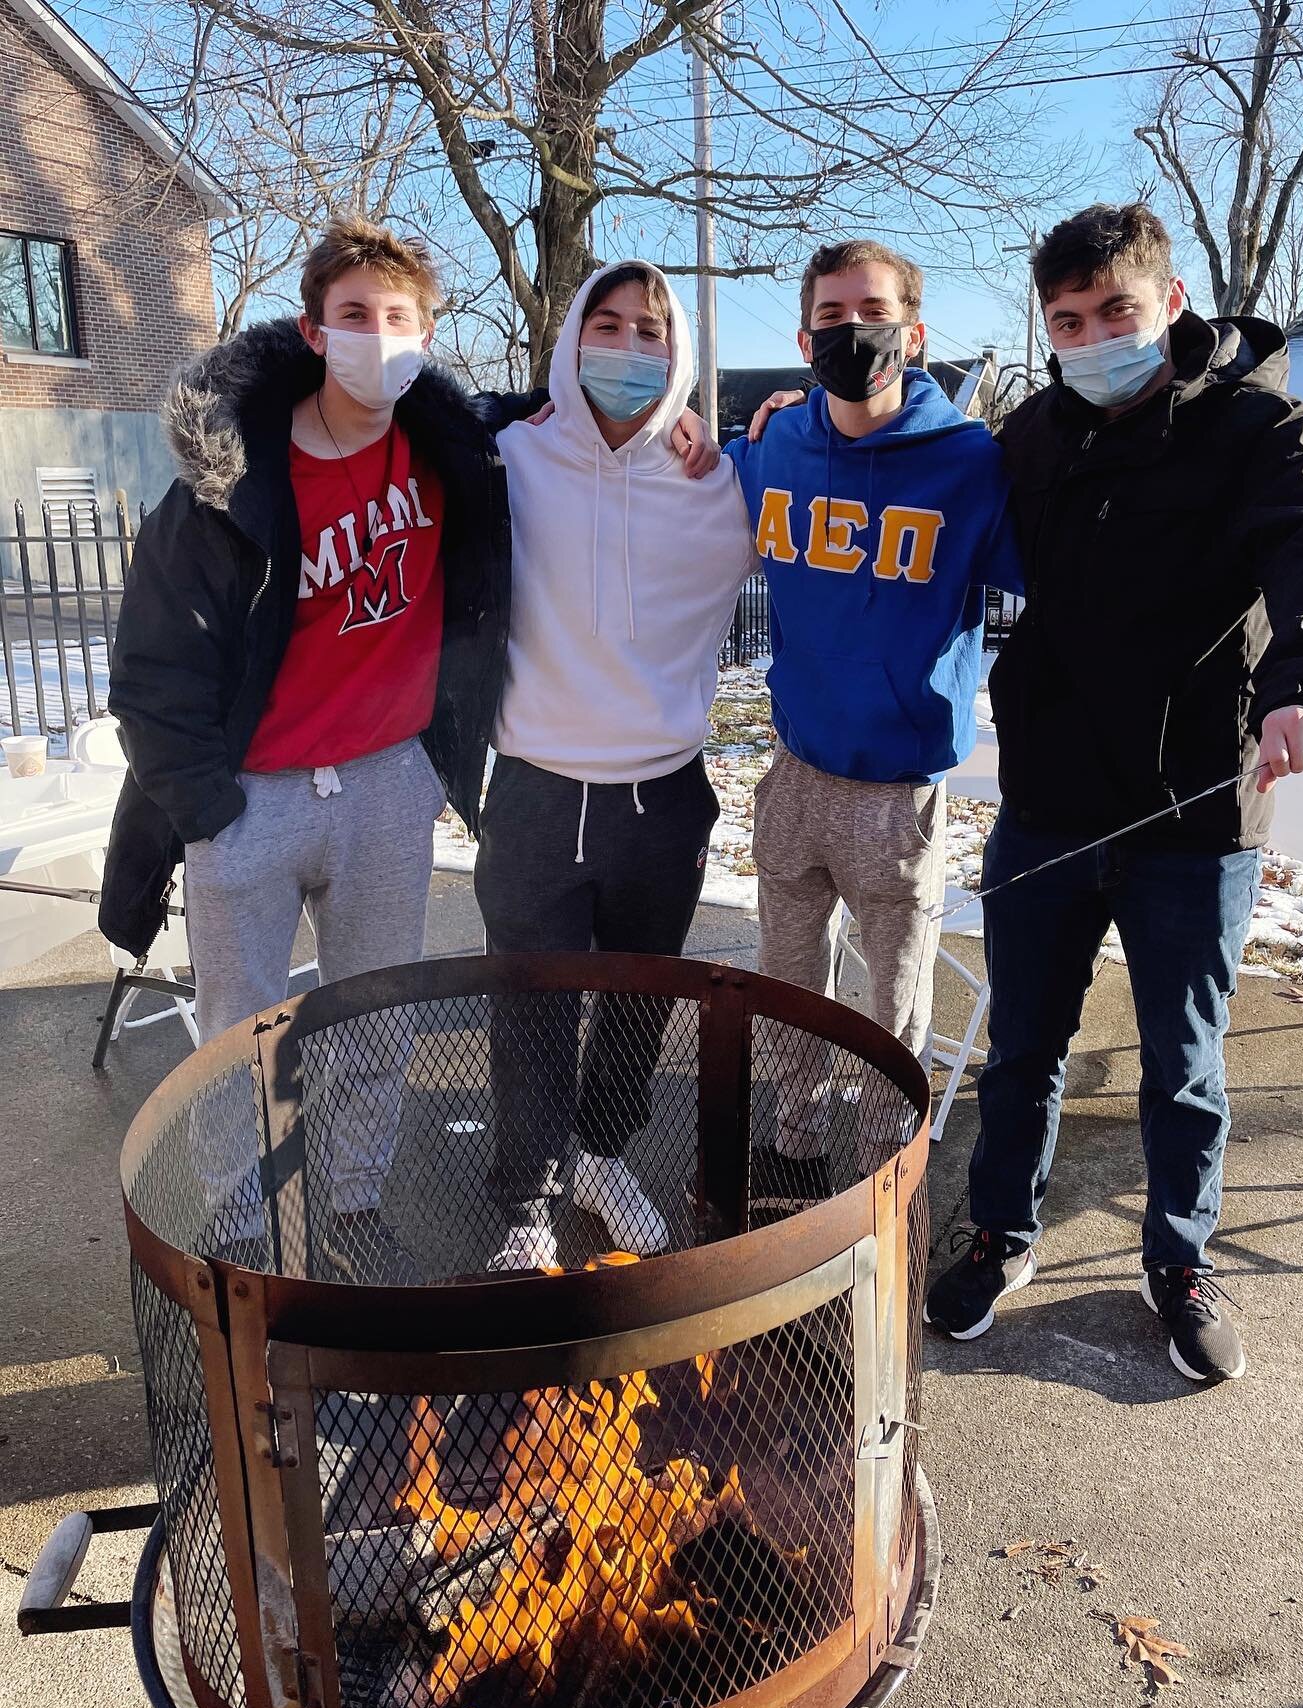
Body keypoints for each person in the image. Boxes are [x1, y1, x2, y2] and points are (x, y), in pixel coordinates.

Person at [98, 219, 712, 1277]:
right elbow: (151, 665)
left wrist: (687, 420)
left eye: (397, 319)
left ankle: (354, 1200)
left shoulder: (451, 451)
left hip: (387, 780)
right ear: (313, 327)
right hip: (251, 794)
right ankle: (240, 1226)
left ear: (428, 334)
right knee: (239, 1036)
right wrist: (203, 802)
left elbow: (555, 415)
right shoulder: (226, 479)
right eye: (354, 317)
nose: (375, 338)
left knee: (377, 1018)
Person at [923, 203, 1303, 1383]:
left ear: (1170, 304)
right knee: (1022, 1047)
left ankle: (1177, 1258)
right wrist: (801, 423)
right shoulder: (1031, 435)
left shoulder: (1260, 425)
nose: (1090, 338)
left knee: (1185, 1064)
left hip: (1196, 816)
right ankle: (997, 1232)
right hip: (1048, 806)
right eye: (1066, 321)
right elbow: (918, 486)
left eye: (1113, 312)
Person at [728, 239, 1023, 1223]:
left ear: (914, 329)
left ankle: (885, 1176)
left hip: (898, 792)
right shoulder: (774, 445)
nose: (852, 331)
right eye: (831, 315)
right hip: (795, 769)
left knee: (891, 1010)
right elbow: (680, 482)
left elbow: (1079, 567)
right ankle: (792, 1149)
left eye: (873, 309)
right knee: (787, 984)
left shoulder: (972, 463)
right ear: (806, 334)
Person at [475, 259, 759, 1272]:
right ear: (570, 335)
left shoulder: (718, 482)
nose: (631, 348)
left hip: (662, 795)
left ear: (679, 357)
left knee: (640, 998)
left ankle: (601, 1153)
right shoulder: (505, 455)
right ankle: (526, 1196)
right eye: (610, 323)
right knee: (532, 1003)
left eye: (653, 333)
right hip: (537, 791)